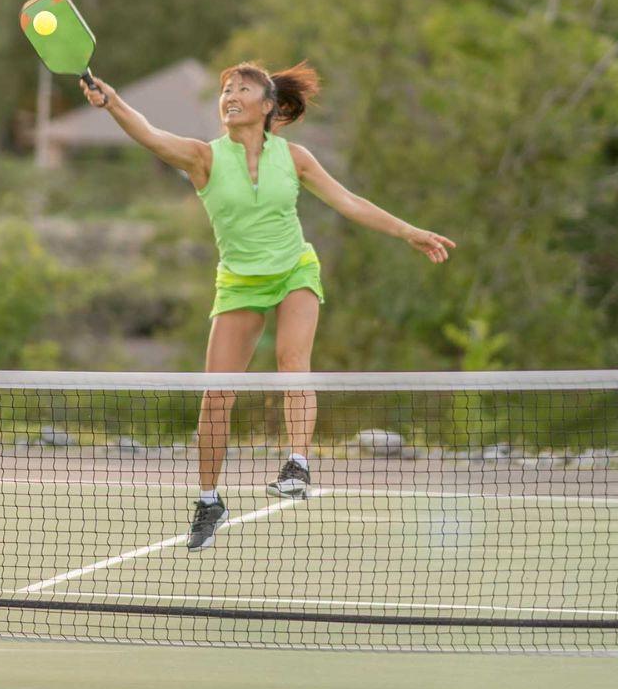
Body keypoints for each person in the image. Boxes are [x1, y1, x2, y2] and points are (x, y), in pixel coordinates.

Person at [80, 64, 454, 552]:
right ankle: (209, 499)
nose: (231, 95)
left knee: (292, 361)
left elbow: (349, 202)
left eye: (243, 89)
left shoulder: (294, 158)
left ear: (266, 106)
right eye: (225, 90)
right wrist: (112, 103)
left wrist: (409, 231)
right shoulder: (202, 158)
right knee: (217, 396)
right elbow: (149, 135)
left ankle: (297, 462)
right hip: (239, 282)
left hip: (294, 269)